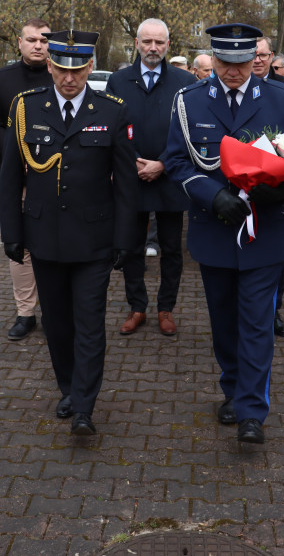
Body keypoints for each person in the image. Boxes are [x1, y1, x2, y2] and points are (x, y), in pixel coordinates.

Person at [164, 22, 284, 444]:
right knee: (224, 322)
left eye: (243, 62)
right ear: (213, 57)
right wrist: (211, 196)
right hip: (215, 230)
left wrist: (276, 187)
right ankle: (232, 388)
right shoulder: (189, 101)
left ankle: (251, 411)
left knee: (257, 322)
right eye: (225, 62)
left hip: (265, 230)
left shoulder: (281, 98)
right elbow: (176, 162)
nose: (234, 71)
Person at [0, 29, 138, 436]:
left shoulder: (111, 110)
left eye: (77, 70)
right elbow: (10, 179)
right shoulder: (26, 109)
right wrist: (12, 232)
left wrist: (125, 240)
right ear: (50, 66)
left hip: (94, 239)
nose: (69, 78)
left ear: (91, 67)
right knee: (57, 323)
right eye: (61, 69)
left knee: (90, 322)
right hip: (44, 236)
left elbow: (127, 184)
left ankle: (84, 405)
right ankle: (67, 387)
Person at [109, 18, 196, 337]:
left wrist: (162, 163)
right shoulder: (119, 81)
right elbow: (111, 127)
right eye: (147, 42)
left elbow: (190, 132)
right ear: (136, 43)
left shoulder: (184, 81)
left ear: (168, 45)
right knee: (130, 248)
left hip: (170, 176)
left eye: (159, 42)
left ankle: (166, 308)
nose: (153, 48)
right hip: (130, 178)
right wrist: (131, 163)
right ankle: (137, 306)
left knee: (172, 249)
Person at [0, 18, 52, 340]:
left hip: (56, 175)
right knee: (20, 245)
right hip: (18, 177)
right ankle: (26, 313)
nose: (38, 45)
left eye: (44, 39)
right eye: (31, 39)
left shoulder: (64, 75)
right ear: (19, 43)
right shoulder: (2, 78)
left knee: (53, 239)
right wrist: (18, 155)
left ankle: (54, 308)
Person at [254, 36, 284, 337]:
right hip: (243, 184)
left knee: (276, 256)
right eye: (252, 55)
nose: (257, 60)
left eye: (263, 55)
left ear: (272, 58)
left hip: (277, 187)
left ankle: (274, 311)